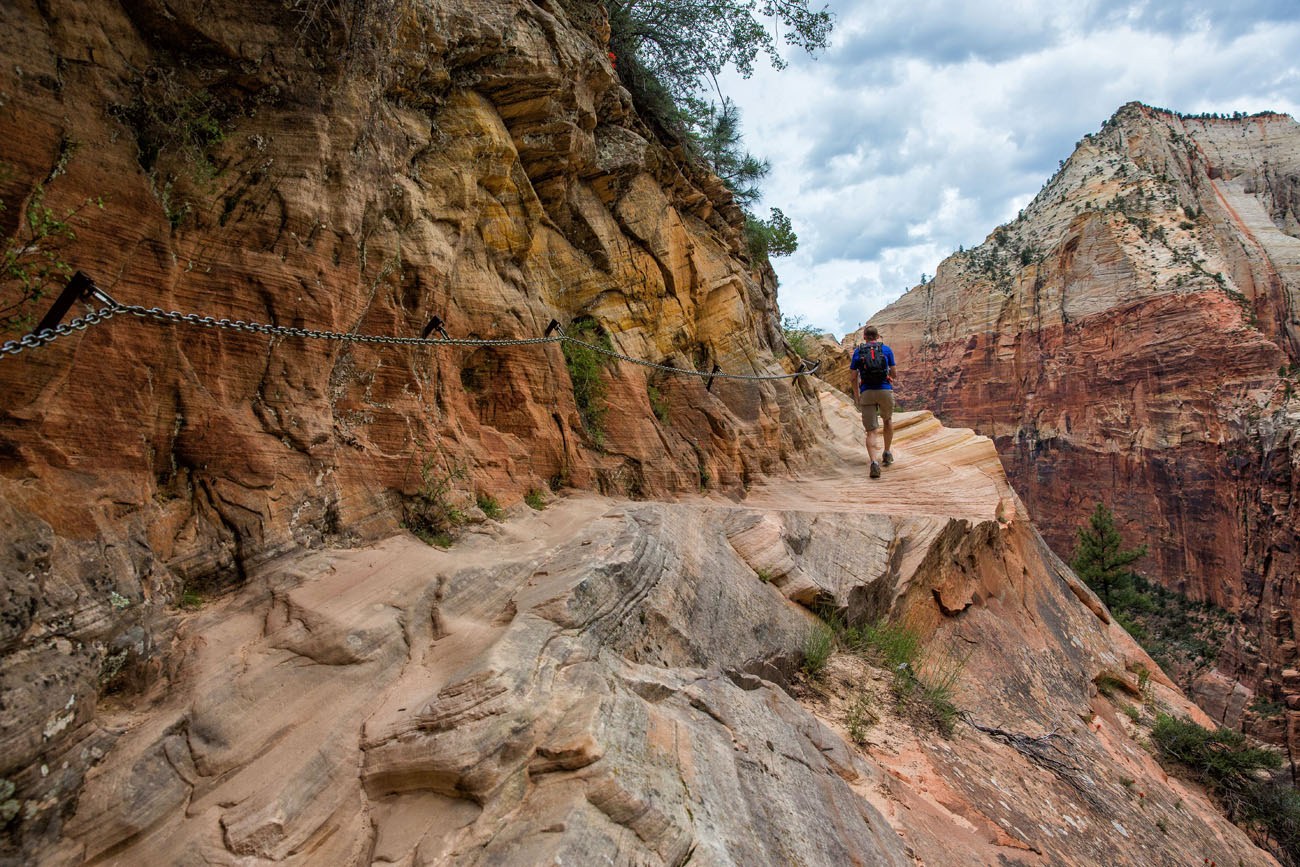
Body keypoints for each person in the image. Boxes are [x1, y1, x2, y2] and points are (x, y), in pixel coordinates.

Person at [849, 325, 896, 479]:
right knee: (887, 420)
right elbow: (894, 374)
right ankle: (887, 452)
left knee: (871, 431)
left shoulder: (858, 352)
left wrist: (857, 396)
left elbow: (853, 377)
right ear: (878, 336)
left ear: (864, 337)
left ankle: (874, 463)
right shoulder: (886, 350)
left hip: (867, 392)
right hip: (884, 390)